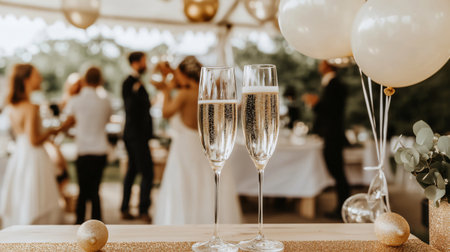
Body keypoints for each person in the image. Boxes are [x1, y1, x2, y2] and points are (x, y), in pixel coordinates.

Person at [152, 56, 242, 225]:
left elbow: (165, 113)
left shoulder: (184, 94)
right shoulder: (208, 92)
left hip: (185, 146)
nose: (176, 78)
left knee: (184, 186)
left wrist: (165, 91)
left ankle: (184, 222)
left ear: (185, 75)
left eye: (178, 74)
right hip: (207, 143)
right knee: (206, 185)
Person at [0, 64, 62, 227]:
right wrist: (51, 131)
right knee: (37, 196)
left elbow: (20, 136)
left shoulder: (12, 106)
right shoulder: (31, 107)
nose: (40, 78)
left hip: (20, 154)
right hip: (34, 156)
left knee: (22, 196)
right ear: (27, 79)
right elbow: (34, 140)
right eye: (37, 75)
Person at [61, 67, 112, 224]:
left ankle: (79, 221)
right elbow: (107, 120)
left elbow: (66, 125)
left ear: (84, 79)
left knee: (83, 190)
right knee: (95, 190)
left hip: (83, 150)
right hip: (100, 149)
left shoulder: (75, 101)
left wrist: (70, 133)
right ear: (100, 80)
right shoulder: (105, 101)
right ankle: (98, 223)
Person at [307, 60, 350, 219]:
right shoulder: (330, 83)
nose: (319, 65)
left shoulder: (334, 84)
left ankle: (342, 209)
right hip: (331, 135)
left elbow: (331, 111)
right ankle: (342, 206)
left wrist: (316, 103)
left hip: (333, 135)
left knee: (338, 172)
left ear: (327, 65)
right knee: (337, 172)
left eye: (321, 63)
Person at [120, 52, 154, 223]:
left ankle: (125, 207)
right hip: (135, 135)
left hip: (137, 135)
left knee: (132, 170)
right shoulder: (129, 83)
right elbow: (130, 108)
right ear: (135, 63)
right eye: (143, 61)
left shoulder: (138, 83)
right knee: (147, 172)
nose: (145, 64)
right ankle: (143, 210)